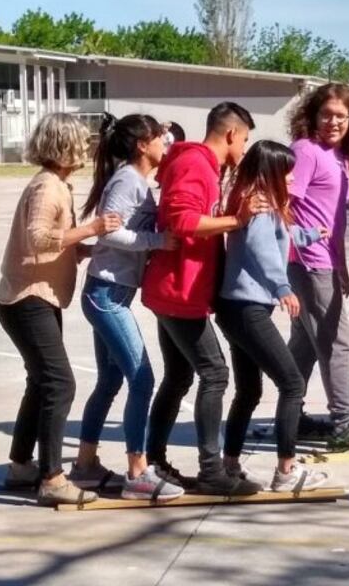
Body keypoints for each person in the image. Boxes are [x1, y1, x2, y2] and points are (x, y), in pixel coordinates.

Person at [0, 113, 123, 506]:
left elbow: (50, 240)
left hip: (37, 296)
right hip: (27, 299)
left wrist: (77, 248)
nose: (86, 147)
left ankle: (21, 466)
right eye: (81, 141)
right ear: (64, 145)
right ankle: (51, 478)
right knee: (60, 383)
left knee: (41, 382)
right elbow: (36, 238)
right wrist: (91, 229)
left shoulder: (56, 184)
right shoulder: (48, 188)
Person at [142, 102, 266, 496]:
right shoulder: (195, 164)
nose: (243, 149)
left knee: (179, 377)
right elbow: (181, 221)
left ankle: (156, 462)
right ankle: (211, 471)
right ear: (231, 133)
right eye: (244, 140)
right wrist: (236, 220)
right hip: (179, 290)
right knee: (215, 374)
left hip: (176, 289)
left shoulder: (204, 166)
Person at [68, 113, 184, 502]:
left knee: (111, 380)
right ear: (142, 144)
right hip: (106, 295)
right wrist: (156, 241)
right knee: (142, 379)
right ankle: (137, 472)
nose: (165, 143)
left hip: (112, 292)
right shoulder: (127, 179)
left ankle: (85, 466)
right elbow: (110, 229)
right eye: (160, 137)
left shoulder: (136, 180)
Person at [216, 140, 331, 491]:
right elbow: (262, 248)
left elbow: (282, 234)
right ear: (270, 173)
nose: (293, 177)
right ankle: (286, 471)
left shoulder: (258, 199)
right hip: (247, 308)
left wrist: (311, 234)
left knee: (249, 390)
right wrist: (282, 287)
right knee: (292, 383)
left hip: (235, 307)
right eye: (287, 171)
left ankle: (230, 464)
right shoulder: (260, 203)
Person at [286, 82, 349, 452]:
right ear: (312, 116)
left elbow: (335, 221)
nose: (333, 121)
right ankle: (344, 422)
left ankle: (290, 415)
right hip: (308, 264)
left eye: (341, 116)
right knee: (337, 344)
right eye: (326, 114)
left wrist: (341, 266)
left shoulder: (339, 157)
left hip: (325, 263)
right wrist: (300, 242)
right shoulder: (306, 151)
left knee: (306, 345)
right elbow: (284, 206)